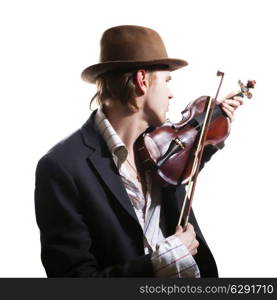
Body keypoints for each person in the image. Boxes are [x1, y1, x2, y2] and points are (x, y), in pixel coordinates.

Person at [34, 25, 243, 277]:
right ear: (142, 81)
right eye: (166, 81)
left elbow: (184, 160)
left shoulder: (160, 147)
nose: (171, 94)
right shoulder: (61, 168)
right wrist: (163, 261)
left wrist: (213, 124)